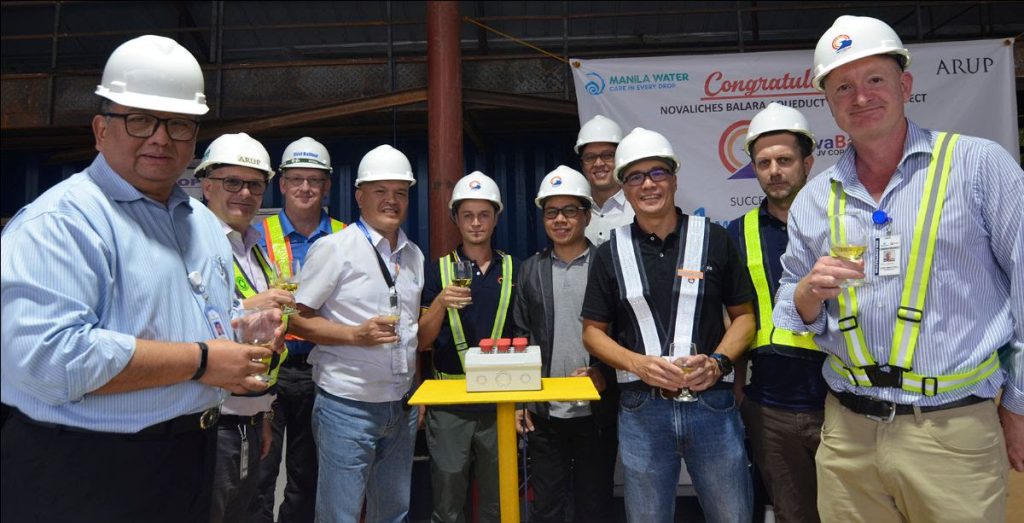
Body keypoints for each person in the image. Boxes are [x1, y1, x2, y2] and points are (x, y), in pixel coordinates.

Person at [0, 35, 273, 523]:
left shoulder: (203, 224)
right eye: (140, 119)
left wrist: (235, 328)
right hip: (86, 470)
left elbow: (193, 317)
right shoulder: (62, 222)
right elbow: (46, 361)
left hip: (191, 455)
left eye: (179, 123)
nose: (161, 138)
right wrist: (203, 360)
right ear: (101, 129)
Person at [773, 15, 1024, 522]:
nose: (860, 97)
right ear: (829, 102)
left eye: (874, 80)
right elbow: (787, 307)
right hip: (847, 435)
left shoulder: (978, 166)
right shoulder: (815, 198)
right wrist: (807, 294)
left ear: (904, 85)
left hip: (951, 430)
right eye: (842, 86)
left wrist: (1018, 404)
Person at [581, 127, 756, 523]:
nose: (648, 184)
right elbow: (592, 332)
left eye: (657, 173)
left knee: (733, 516)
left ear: (675, 178)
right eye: (636, 177)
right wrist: (637, 364)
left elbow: (745, 318)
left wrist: (718, 362)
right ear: (624, 189)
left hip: (713, 404)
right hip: (643, 409)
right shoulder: (610, 253)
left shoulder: (714, 239)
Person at [288, 144, 424, 523]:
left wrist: (416, 393)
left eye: (400, 192)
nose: (391, 201)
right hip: (346, 406)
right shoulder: (335, 249)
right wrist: (354, 336)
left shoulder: (413, 256)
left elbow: (411, 334)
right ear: (359, 196)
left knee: (394, 513)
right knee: (339, 515)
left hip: (400, 406)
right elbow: (295, 320)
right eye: (380, 191)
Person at [726, 103, 825, 523]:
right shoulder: (736, 233)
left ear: (808, 163)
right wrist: (739, 387)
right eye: (763, 163)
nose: (774, 171)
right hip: (770, 405)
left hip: (841, 400)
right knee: (791, 513)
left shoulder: (840, 221)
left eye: (784, 160)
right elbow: (736, 315)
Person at [512, 166, 618, 523]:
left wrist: (603, 372)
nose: (560, 220)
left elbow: (626, 333)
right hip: (545, 415)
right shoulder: (530, 270)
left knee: (595, 504)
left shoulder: (609, 265)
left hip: (596, 413)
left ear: (587, 215)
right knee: (548, 508)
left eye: (570, 211)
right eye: (551, 212)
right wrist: (521, 402)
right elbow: (522, 335)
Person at [196, 132, 291, 523]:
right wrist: (250, 305)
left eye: (254, 184)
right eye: (232, 182)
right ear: (206, 186)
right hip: (211, 422)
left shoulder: (256, 249)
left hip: (249, 418)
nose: (245, 193)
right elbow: (185, 322)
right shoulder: (192, 243)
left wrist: (262, 414)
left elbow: (265, 337)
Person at [253, 136, 345, 523]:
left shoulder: (347, 236)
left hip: (319, 371)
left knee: (307, 477)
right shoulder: (254, 234)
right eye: (297, 179)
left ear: (327, 185)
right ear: (283, 184)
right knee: (258, 472)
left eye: (314, 179)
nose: (306, 187)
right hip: (265, 371)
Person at [417, 171, 514, 523]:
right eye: (468, 215)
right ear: (456, 219)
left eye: (484, 215)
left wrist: (522, 404)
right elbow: (422, 341)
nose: (476, 223)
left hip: (500, 403)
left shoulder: (514, 270)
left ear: (496, 217)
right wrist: (441, 302)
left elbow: (528, 336)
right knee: (447, 504)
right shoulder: (436, 272)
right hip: (450, 404)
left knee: (497, 504)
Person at [577, 115, 635, 246]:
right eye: (590, 157)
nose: (598, 163)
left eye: (607, 155)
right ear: (582, 165)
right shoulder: (575, 212)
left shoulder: (639, 208)